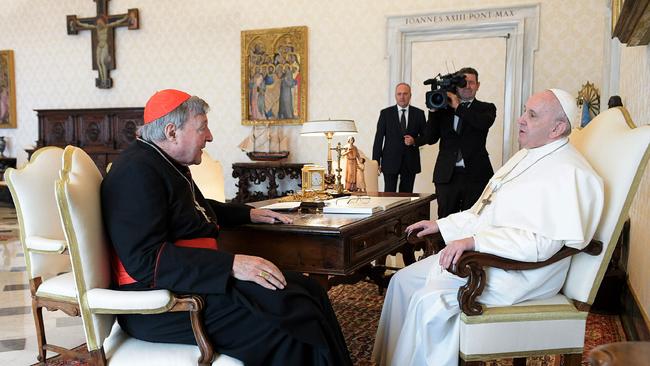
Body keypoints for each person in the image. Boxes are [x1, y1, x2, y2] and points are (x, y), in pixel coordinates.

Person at [101, 89, 352, 366]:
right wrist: (231, 265)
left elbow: (195, 208)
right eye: (202, 128)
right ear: (172, 132)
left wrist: (249, 214)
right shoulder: (136, 172)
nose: (209, 137)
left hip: (188, 282)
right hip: (160, 305)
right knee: (288, 323)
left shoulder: (163, 162)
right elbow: (146, 261)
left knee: (307, 290)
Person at [372, 88, 604, 366]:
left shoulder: (570, 172)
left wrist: (474, 243)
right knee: (401, 281)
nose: (520, 120)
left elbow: (543, 244)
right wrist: (440, 224)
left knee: (429, 302)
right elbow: (483, 212)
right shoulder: (526, 156)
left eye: (531, 115)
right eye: (524, 111)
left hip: (525, 273)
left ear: (557, 128)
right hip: (497, 256)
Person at [425, 67, 497, 218]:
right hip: (447, 175)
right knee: (445, 221)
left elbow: (481, 124)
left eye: (471, 82)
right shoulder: (443, 109)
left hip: (476, 175)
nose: (467, 86)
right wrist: (432, 112)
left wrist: (458, 106)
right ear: (456, 85)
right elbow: (430, 138)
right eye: (463, 82)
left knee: (472, 220)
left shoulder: (486, 108)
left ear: (478, 85)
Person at [372, 83, 427, 192]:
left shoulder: (419, 114)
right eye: (399, 94)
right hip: (389, 161)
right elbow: (378, 139)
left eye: (405, 94)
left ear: (410, 95)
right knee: (388, 196)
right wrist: (376, 162)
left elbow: (426, 137)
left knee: (406, 197)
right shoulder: (385, 113)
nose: (402, 97)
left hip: (410, 162)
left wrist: (414, 141)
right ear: (395, 96)